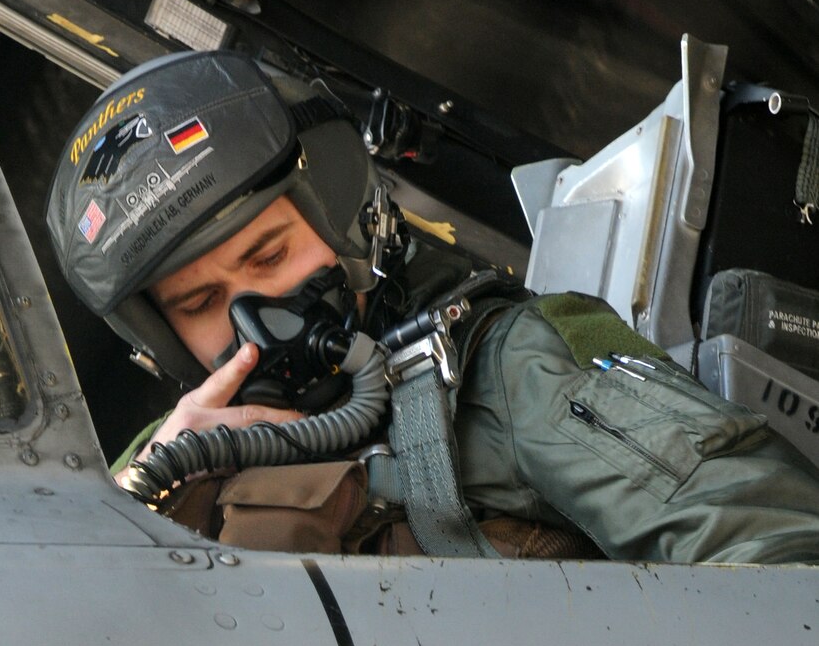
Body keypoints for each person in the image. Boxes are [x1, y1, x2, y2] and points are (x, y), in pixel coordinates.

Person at [45, 50, 819, 562]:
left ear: (343, 215)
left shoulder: (506, 368)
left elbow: (770, 558)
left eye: (270, 255)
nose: (257, 315)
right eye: (203, 301)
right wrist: (144, 500)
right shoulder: (153, 472)